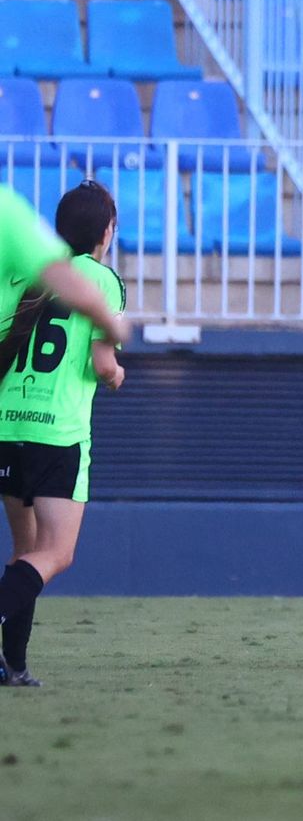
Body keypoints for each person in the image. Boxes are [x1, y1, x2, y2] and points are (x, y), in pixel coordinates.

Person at [0, 180, 126, 686]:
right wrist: (118, 374)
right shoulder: (102, 278)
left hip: (7, 425)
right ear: (106, 232)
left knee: (24, 551)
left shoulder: (17, 274)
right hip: (59, 433)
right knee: (56, 552)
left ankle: (14, 665)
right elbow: (102, 365)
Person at [0, 183, 131, 349]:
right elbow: (105, 366)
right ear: (106, 232)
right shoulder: (6, 208)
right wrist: (113, 326)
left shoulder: (20, 278)